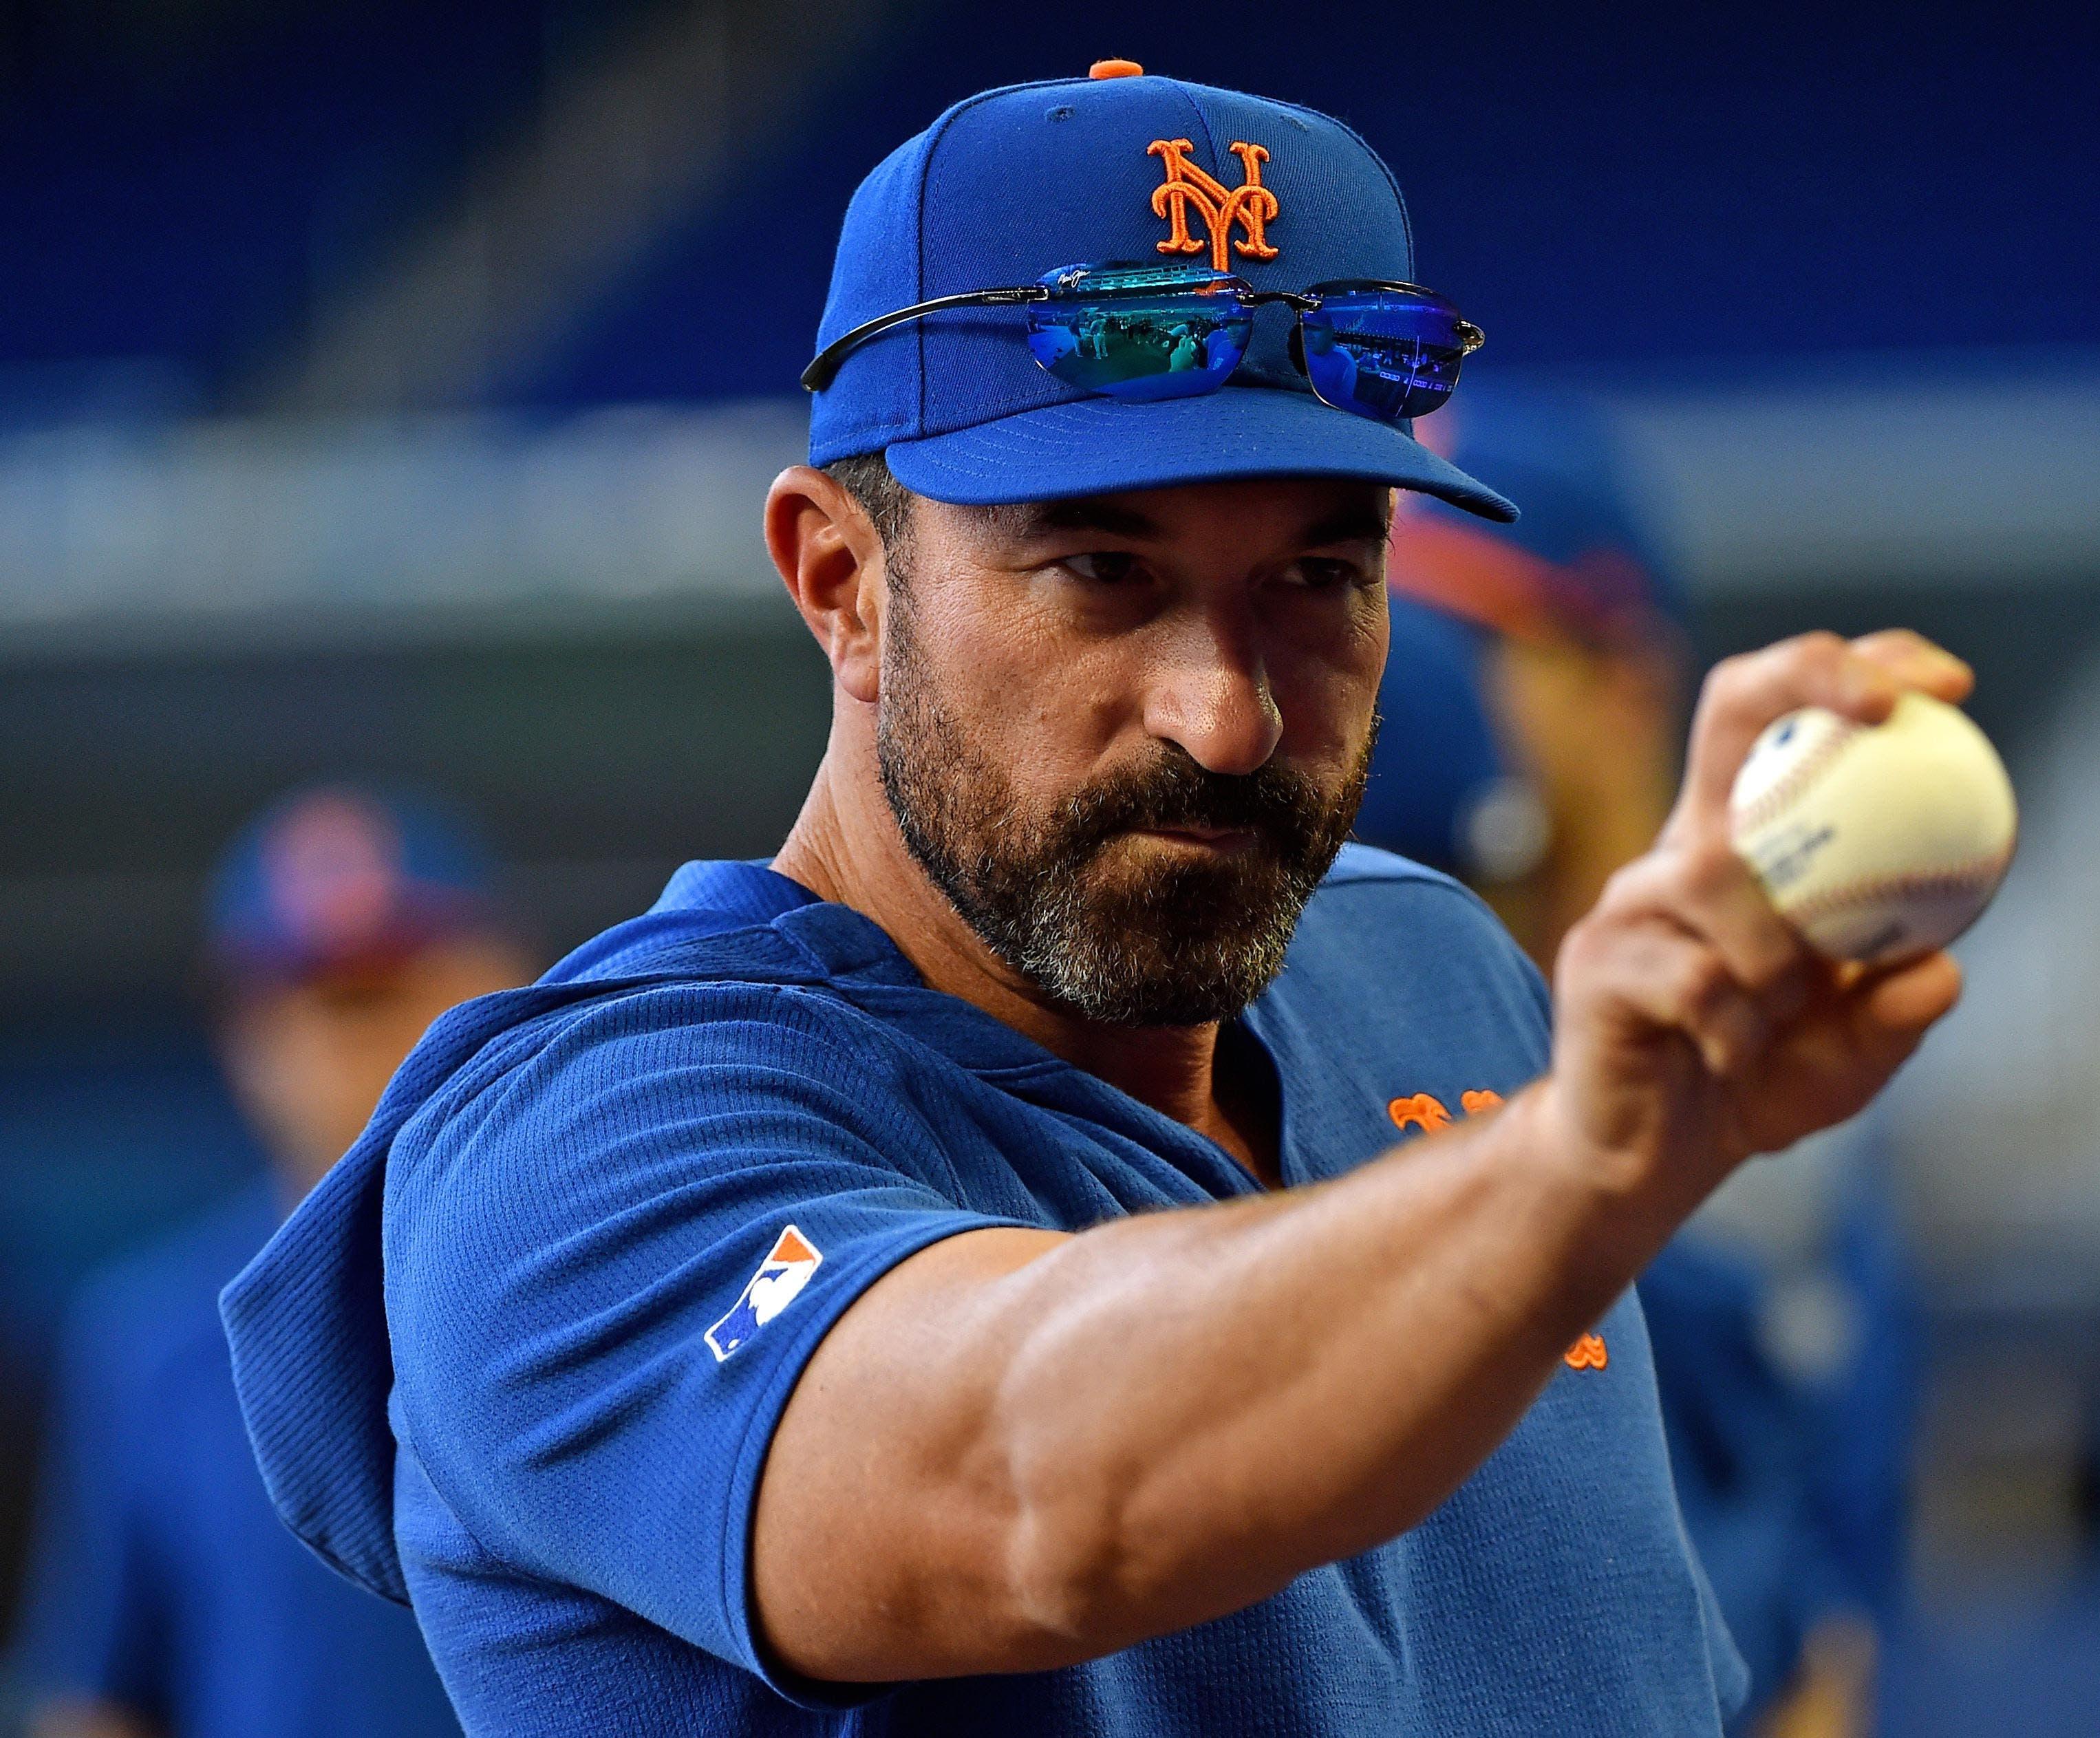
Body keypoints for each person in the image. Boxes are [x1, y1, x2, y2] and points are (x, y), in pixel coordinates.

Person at [223, 64, 1971, 1737]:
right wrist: (1585, 1162)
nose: (1228, 712)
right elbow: (1035, 1489)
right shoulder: (577, 1152)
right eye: (1101, 572)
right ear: (842, 584)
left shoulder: (1430, 966)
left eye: (1315, 577)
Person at [1356, 387, 1915, 1736]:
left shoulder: (1776, 1118)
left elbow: (1813, 1657)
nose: (1375, 664)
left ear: (1619, 686)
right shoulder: (1286, 1015)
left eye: (1448, 627)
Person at [13, 788, 527, 1738]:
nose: (361, 1039)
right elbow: (101, 1696)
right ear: (243, 1029)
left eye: (396, 980)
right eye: (325, 997)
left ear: (498, 976)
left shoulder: (598, 1273)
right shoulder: (149, 1335)